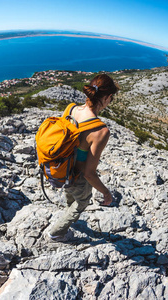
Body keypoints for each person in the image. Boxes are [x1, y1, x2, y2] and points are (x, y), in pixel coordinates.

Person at [47, 74, 119, 242]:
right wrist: (106, 193)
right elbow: (89, 173)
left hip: (60, 168)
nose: (111, 100)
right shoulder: (100, 131)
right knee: (82, 202)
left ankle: (68, 210)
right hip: (78, 176)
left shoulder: (70, 109)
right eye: (111, 97)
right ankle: (56, 233)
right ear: (107, 97)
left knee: (71, 195)